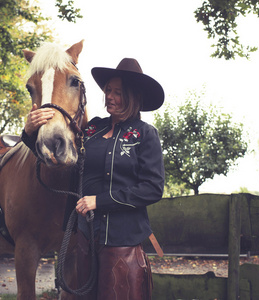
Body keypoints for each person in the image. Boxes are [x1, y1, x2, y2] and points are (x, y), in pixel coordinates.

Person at [23, 58, 165, 300]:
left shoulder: (145, 134)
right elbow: (59, 157)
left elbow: (153, 188)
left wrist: (99, 201)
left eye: (117, 92)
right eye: (108, 90)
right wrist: (29, 133)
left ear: (131, 96)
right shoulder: (92, 130)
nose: (109, 96)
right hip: (85, 239)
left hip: (123, 242)